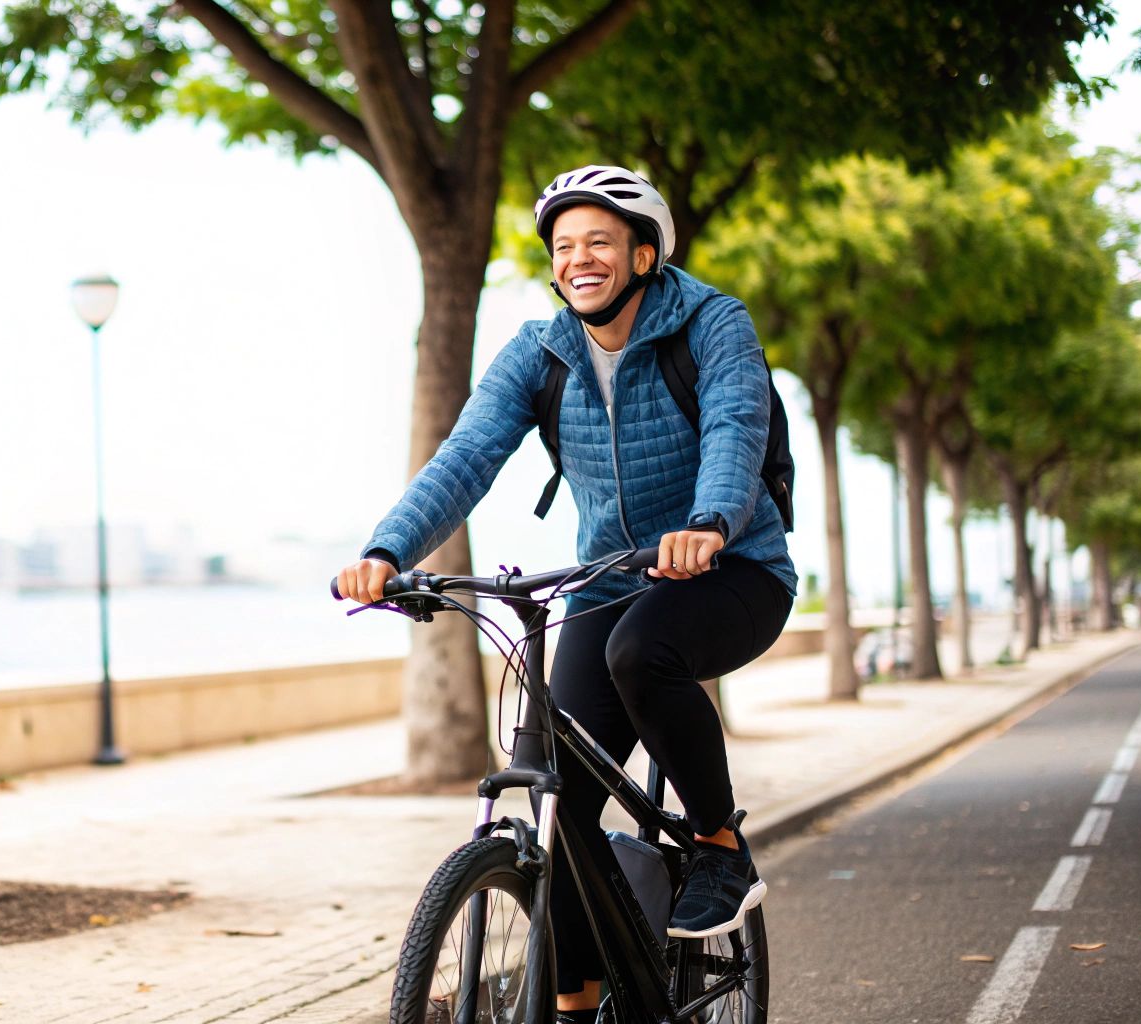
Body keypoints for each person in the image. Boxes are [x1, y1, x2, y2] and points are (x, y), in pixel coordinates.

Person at [335, 165, 796, 1022]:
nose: (579, 259)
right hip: (612, 578)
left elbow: (737, 427)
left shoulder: (712, 323)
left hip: (734, 568)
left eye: (599, 243)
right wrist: (387, 547)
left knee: (641, 653)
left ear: (645, 253)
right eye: (564, 247)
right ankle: (579, 1004)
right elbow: (467, 453)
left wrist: (709, 523)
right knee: (560, 802)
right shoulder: (539, 352)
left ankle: (718, 845)